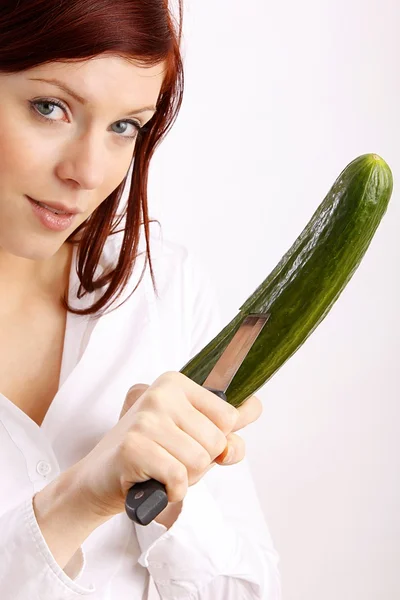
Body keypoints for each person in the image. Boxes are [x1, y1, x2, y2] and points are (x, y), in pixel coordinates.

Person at [0, 1, 281, 598]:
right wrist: (79, 499)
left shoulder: (163, 287)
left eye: (124, 126)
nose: (89, 171)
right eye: (49, 108)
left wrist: (174, 494)